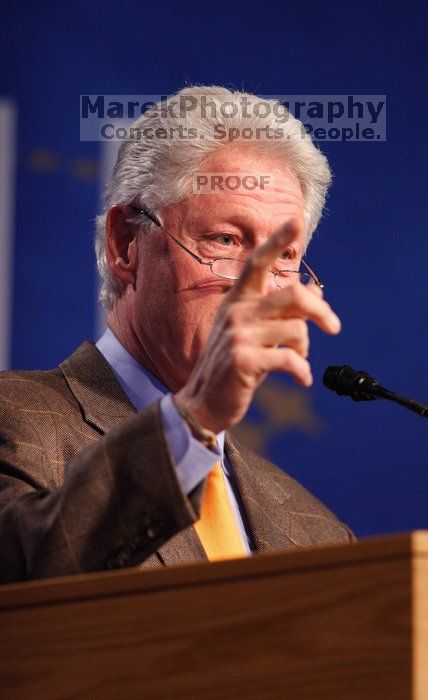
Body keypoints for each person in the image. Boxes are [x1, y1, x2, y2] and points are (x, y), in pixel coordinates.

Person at [0, 86, 354, 584]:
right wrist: (192, 421)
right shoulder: (13, 421)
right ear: (127, 245)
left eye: (283, 258)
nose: (255, 288)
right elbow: (22, 576)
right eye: (225, 240)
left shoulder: (319, 531)